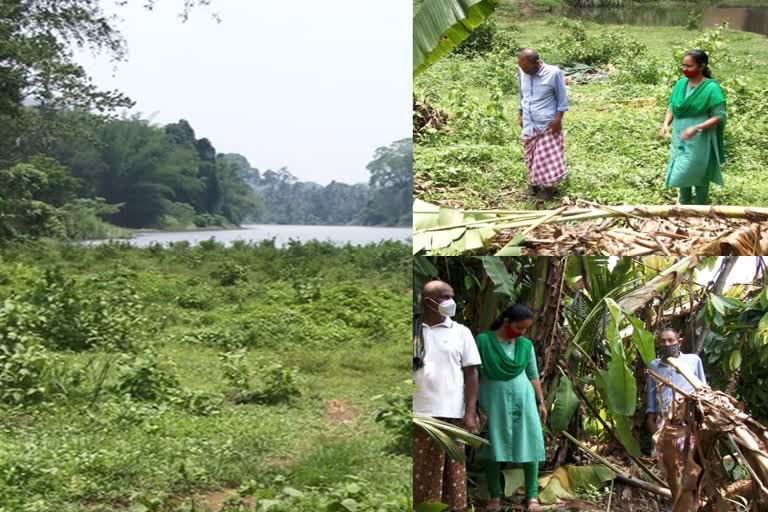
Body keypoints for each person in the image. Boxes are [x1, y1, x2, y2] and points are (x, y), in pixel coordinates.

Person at [413, 280, 481, 512]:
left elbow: (471, 373)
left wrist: (470, 412)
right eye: (444, 297)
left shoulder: (461, 332)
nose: (450, 302)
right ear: (428, 302)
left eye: (451, 295)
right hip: (417, 415)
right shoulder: (413, 329)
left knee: (452, 476)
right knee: (418, 472)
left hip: (452, 414)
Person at [475, 304, 546, 512]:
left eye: (526, 329)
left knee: (529, 443)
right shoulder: (483, 341)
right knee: (493, 445)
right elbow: (473, 374)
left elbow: (533, 374)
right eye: (519, 328)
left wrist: (540, 401)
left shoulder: (525, 345)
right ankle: (494, 496)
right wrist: (474, 405)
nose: (522, 333)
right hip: (492, 400)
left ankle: (532, 497)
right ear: (506, 322)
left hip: (523, 400)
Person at [645, 327, 708, 505]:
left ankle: (695, 504)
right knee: (670, 469)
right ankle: (677, 504)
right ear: (658, 344)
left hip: (689, 422)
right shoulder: (654, 366)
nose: (667, 344)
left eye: (670, 340)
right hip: (664, 424)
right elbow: (651, 403)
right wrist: (654, 431)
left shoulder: (693, 361)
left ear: (679, 341)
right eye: (663, 341)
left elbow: (704, 390)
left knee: (692, 466)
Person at [660, 49, 727, 205]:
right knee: (681, 170)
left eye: (689, 66)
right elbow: (673, 106)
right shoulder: (681, 83)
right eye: (683, 65)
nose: (685, 69)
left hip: (700, 137)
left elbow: (719, 115)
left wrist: (697, 127)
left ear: (701, 66)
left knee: (698, 169)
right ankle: (684, 203)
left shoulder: (711, 88)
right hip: (679, 135)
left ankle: (700, 205)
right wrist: (665, 124)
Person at [517, 48, 569, 201]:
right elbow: (522, 94)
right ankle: (534, 184)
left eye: (526, 68)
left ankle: (549, 188)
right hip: (529, 121)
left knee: (545, 157)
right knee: (531, 155)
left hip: (547, 122)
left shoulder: (553, 73)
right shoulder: (522, 72)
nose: (523, 71)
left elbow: (562, 98)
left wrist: (558, 119)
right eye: (521, 67)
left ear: (537, 63)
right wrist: (520, 114)